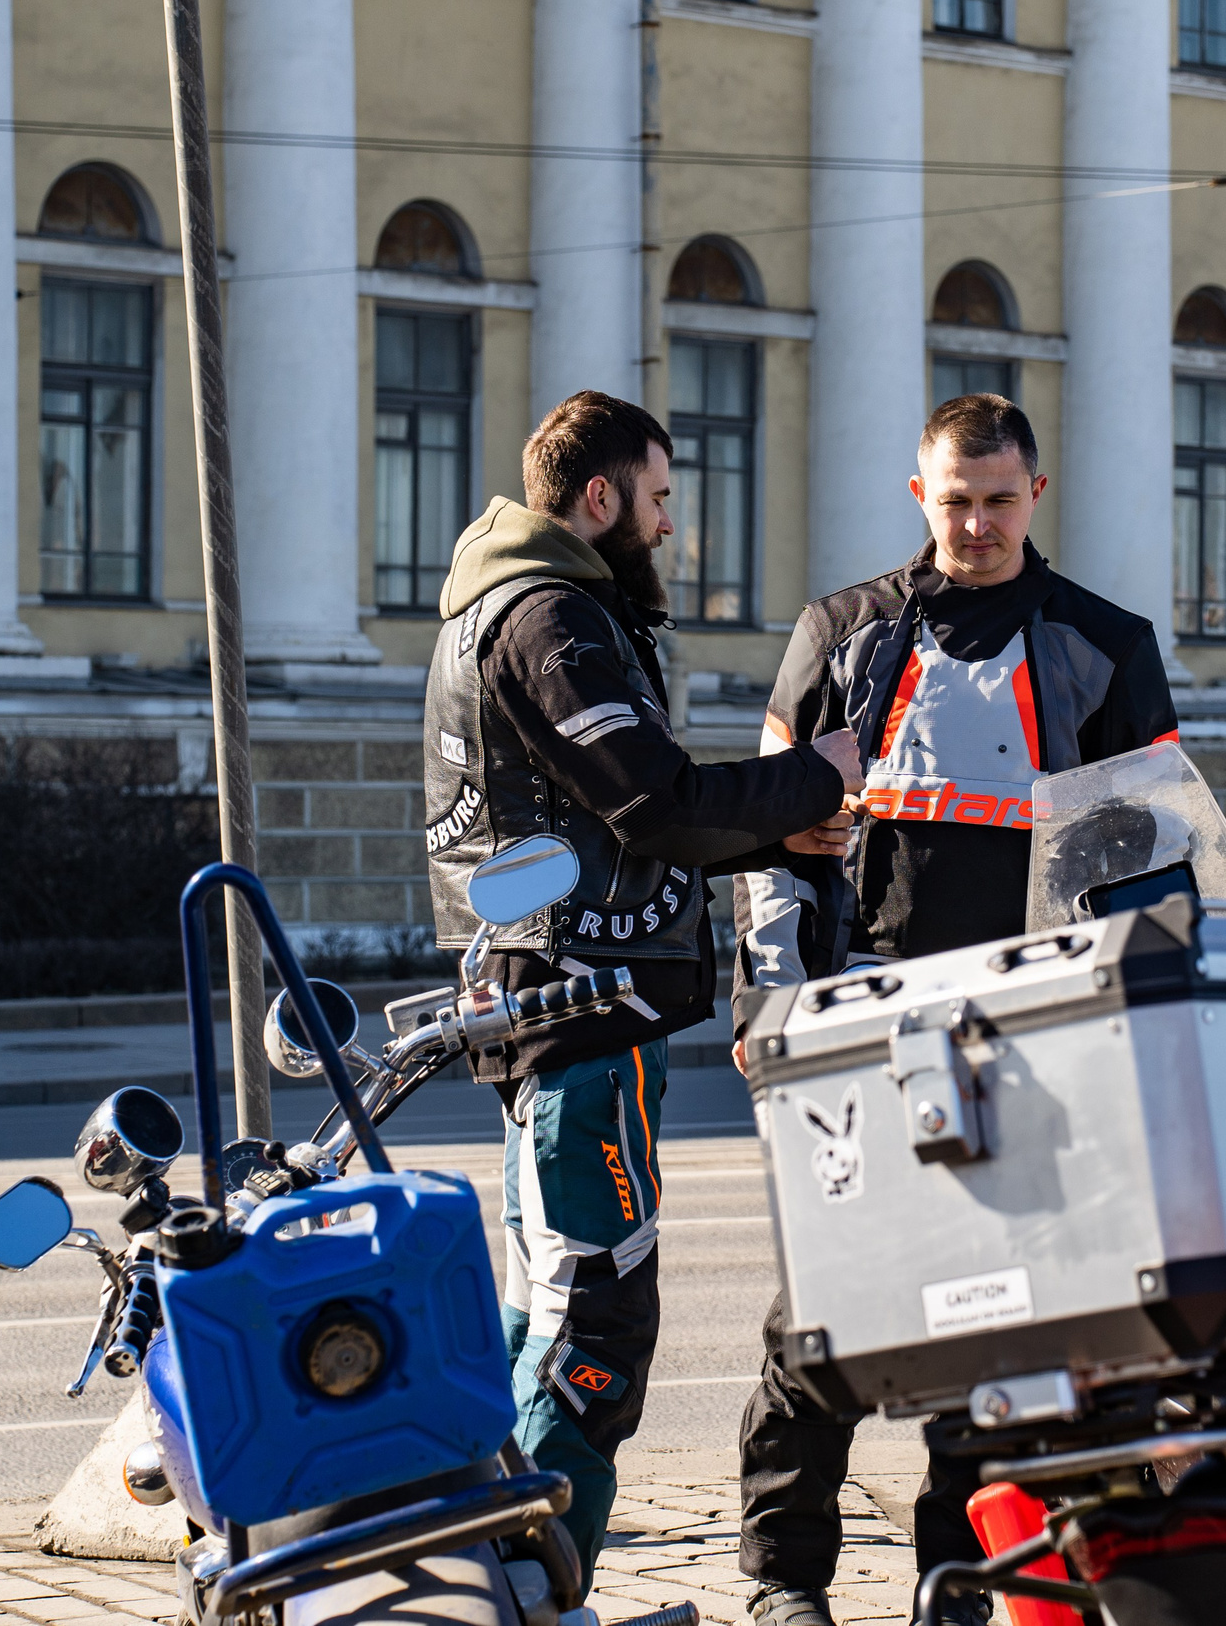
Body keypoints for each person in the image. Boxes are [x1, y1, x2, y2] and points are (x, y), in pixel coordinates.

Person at [729, 393, 1180, 1626]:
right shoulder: (841, 633)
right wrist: (766, 999)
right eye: (954, 501)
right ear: (918, 497)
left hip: (1039, 1031)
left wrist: (1151, 1020)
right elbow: (770, 842)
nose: (976, 524)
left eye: (998, 501)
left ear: (1037, 495)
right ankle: (784, 1581)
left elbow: (1157, 861)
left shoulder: (1107, 644)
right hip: (858, 1021)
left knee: (1003, 1317)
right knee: (818, 1312)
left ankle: (956, 1580)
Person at [422, 390, 863, 1581]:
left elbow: (602, 825)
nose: (669, 524)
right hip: (579, 1007)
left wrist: (772, 836)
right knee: (594, 1322)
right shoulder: (551, 615)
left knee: (544, 1306)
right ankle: (537, 1583)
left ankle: (499, 1573)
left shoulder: (505, 602)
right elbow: (652, 800)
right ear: (600, 496)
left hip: (544, 994)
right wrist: (815, 781)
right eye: (659, 498)